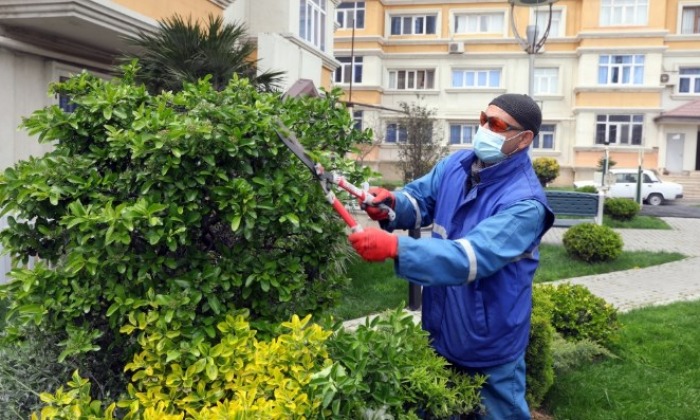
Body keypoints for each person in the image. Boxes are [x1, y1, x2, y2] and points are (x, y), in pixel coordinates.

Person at [349, 93, 555, 420]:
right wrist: (390, 204)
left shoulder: (525, 204)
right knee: (434, 410)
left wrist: (394, 248)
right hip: (441, 330)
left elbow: (469, 258)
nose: (484, 129)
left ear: (524, 139)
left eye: (497, 124)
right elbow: (419, 202)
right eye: (483, 119)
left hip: (489, 346)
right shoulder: (456, 166)